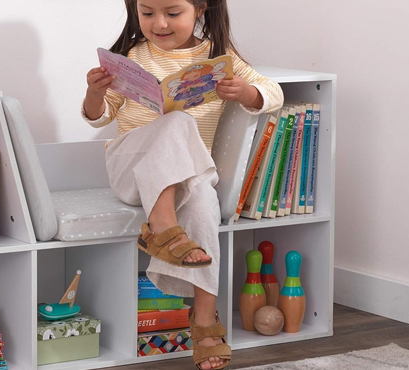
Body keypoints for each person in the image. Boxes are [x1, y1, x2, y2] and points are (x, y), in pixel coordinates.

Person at [82, 0, 284, 369]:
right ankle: (161, 222)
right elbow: (99, 117)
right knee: (178, 123)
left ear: (201, 9)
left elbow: (272, 91)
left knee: (204, 200)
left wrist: (246, 93)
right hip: (130, 171)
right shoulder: (129, 57)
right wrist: (95, 93)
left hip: (185, 178)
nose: (159, 23)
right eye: (147, 12)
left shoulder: (218, 58)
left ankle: (204, 319)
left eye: (172, 13)